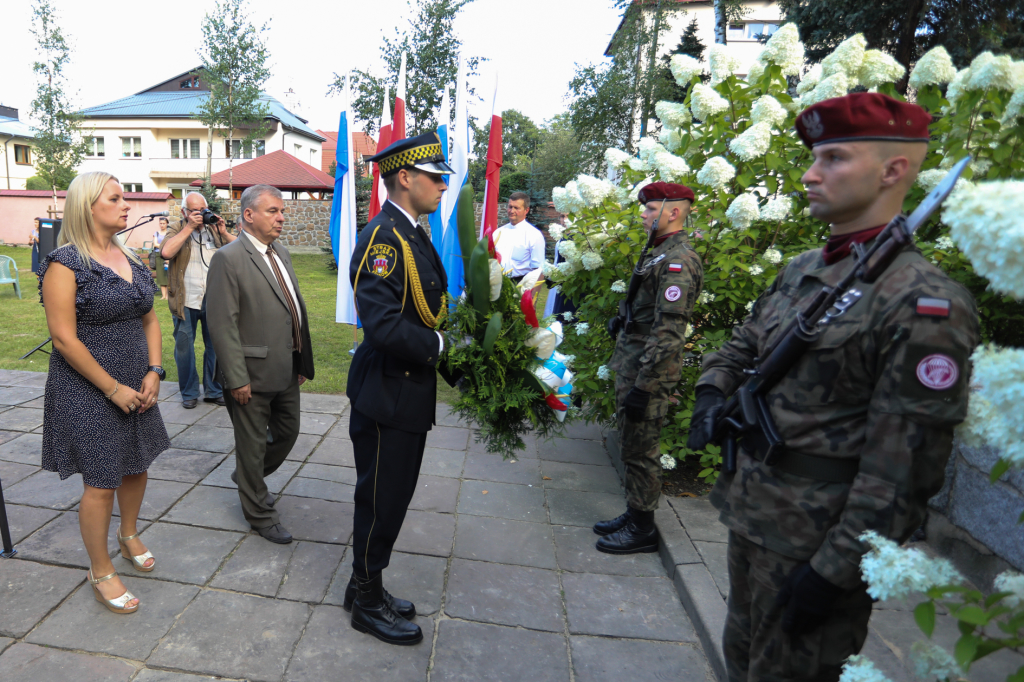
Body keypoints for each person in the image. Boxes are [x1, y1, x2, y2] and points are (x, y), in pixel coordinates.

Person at [685, 93, 981, 682]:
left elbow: (905, 468)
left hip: (818, 541)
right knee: (740, 662)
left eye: (834, 158)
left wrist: (837, 569)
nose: (809, 174)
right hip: (756, 511)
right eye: (814, 157)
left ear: (893, 170)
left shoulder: (925, 303)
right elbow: (747, 344)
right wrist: (713, 390)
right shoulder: (804, 269)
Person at [38, 171, 170, 615]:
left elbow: (150, 317)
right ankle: (100, 569)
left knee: (136, 464)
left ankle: (128, 532)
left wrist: (154, 371)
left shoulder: (129, 257)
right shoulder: (64, 263)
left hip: (138, 380)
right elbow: (63, 339)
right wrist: (113, 388)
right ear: (88, 206)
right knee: (101, 480)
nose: (126, 204)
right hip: (89, 386)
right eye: (115, 198)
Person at [346, 132, 454, 646]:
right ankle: (366, 602)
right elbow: (384, 326)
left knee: (391, 496)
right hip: (389, 392)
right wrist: (444, 348)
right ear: (405, 178)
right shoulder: (384, 239)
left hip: (404, 390)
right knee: (381, 500)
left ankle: (364, 584)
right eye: (436, 177)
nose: (441, 186)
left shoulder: (410, 231)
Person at [594, 181, 704, 555]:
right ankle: (635, 511)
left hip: (648, 372)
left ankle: (643, 529)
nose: (642, 213)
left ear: (673, 211)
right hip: (634, 362)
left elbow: (670, 330)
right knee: (630, 443)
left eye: (650, 207)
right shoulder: (657, 251)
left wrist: (645, 385)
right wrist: (623, 321)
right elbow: (647, 309)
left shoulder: (678, 260)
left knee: (642, 449)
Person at [207, 184, 314, 545]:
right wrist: (236, 378)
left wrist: (300, 357)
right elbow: (222, 324)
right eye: (273, 211)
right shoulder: (229, 258)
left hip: (286, 368)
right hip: (249, 375)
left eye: (282, 211)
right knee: (251, 446)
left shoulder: (279, 251)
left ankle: (248, 477)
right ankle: (259, 514)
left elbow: (290, 309)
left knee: (288, 432)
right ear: (248, 215)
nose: (281, 217)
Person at [160, 192, 235, 408]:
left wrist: (223, 232)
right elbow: (166, 252)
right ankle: (189, 393)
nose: (201, 214)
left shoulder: (213, 228)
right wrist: (188, 228)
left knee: (216, 346)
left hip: (214, 299)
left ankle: (214, 390)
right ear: (184, 212)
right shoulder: (177, 227)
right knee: (184, 348)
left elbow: (241, 249)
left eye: (203, 209)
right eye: (195, 211)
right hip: (185, 299)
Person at [492, 191, 545, 283]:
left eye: (516, 208)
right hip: (497, 282)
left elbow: (539, 269)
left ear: (526, 210)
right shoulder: (498, 233)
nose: (512, 211)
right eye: (510, 207)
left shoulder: (534, 235)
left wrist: (532, 296)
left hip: (520, 283)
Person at [153, 217, 169, 300]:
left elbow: (171, 244)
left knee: (168, 274)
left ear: (167, 224)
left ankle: (168, 295)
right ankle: (164, 295)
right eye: (161, 223)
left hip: (168, 255)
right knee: (161, 275)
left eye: (164, 223)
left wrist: (162, 245)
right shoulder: (156, 233)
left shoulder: (169, 233)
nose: (162, 225)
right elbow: (155, 244)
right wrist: (164, 245)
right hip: (158, 255)